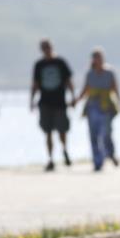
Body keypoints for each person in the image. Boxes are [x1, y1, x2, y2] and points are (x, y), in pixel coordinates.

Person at [73, 47, 120, 172]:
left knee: (106, 133)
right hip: (92, 107)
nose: (98, 60)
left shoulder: (109, 72)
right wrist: (76, 101)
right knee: (93, 136)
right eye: (96, 57)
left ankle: (110, 154)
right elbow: (85, 90)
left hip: (106, 108)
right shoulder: (90, 74)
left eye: (99, 57)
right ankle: (97, 161)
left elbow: (115, 89)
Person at [30, 39, 75, 171]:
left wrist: (73, 97)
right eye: (44, 48)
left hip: (60, 102)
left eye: (48, 47)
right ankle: (50, 159)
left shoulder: (60, 62)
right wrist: (31, 101)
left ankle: (64, 150)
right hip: (45, 103)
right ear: (41, 49)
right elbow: (35, 84)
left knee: (62, 130)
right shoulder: (39, 65)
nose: (46, 50)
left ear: (52, 47)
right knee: (47, 132)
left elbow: (68, 81)